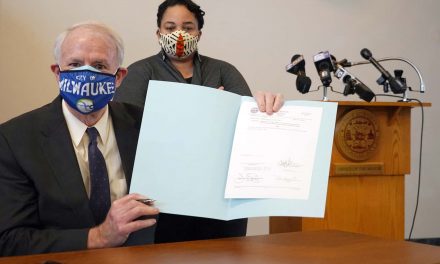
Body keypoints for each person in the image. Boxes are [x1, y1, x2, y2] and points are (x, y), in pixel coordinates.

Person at [113, 0, 284, 243]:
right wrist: (209, 110)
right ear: (158, 33)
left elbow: (247, 123)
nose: (179, 34)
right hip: (163, 196)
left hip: (219, 194)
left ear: (199, 34)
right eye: (170, 27)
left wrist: (266, 106)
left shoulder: (224, 70)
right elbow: (126, 127)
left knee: (224, 255)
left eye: (188, 27)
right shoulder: (140, 72)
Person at [0, 22, 159, 256]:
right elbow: (10, 240)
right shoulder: (15, 139)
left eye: (99, 65)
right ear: (57, 73)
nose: (87, 76)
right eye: (74, 64)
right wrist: (100, 237)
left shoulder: (149, 125)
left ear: (119, 76)